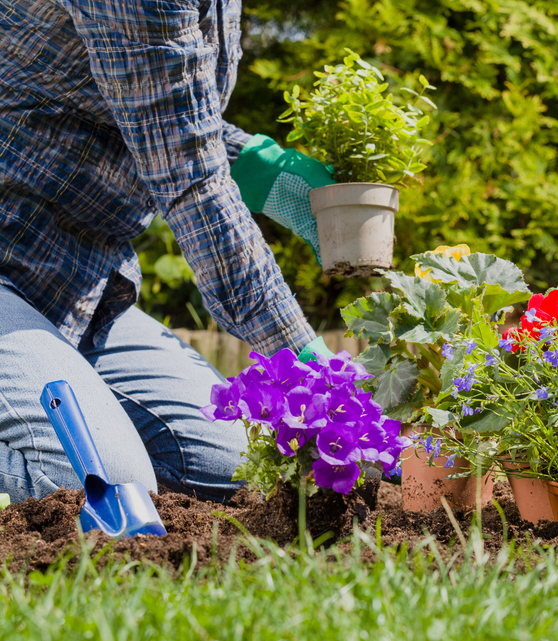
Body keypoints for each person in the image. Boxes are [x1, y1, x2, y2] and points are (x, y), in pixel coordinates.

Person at [0, 0, 339, 504]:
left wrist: (257, 165)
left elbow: (156, 105)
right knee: (98, 487)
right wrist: (299, 354)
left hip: (71, 278)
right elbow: (190, 178)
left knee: (234, 466)